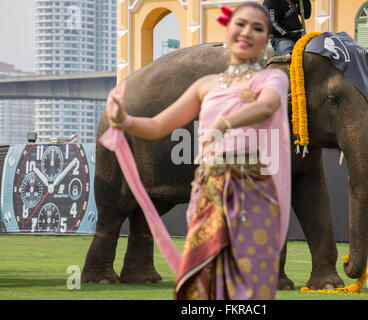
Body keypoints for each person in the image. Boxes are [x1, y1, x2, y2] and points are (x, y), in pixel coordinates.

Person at [105, 1, 291, 300]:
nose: (247, 32)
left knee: (246, 289)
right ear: (227, 29)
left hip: (252, 190)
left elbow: (266, 105)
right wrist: (122, 120)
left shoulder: (273, 78)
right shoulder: (205, 85)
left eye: (258, 28)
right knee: (197, 287)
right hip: (209, 189)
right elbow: (156, 126)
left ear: (267, 39)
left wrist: (226, 121)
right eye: (240, 24)